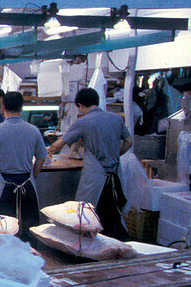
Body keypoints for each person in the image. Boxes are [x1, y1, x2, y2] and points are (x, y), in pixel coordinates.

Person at [48, 87, 133, 240]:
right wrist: (115, 154)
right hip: (115, 177)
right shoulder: (116, 119)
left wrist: (47, 153)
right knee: (112, 217)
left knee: (86, 218)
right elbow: (128, 141)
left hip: (95, 180)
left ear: (80, 105)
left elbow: (58, 145)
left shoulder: (83, 122)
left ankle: (87, 253)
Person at [0, 92, 48, 241]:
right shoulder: (33, 131)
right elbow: (42, 158)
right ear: (22, 108)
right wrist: (33, 175)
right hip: (27, 186)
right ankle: (29, 257)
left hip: (3, 188)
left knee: (2, 229)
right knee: (28, 229)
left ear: (3, 108)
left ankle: (4, 258)